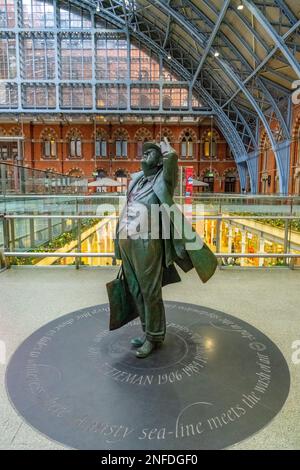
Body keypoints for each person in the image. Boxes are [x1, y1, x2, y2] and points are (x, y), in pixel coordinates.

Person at [111, 141, 217, 358]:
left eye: (150, 153)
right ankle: (146, 330)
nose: (144, 155)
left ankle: (154, 336)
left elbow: (172, 161)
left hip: (147, 243)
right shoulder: (136, 182)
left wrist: (167, 150)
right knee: (135, 289)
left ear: (159, 161)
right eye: (144, 151)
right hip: (127, 242)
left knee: (150, 291)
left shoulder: (163, 181)